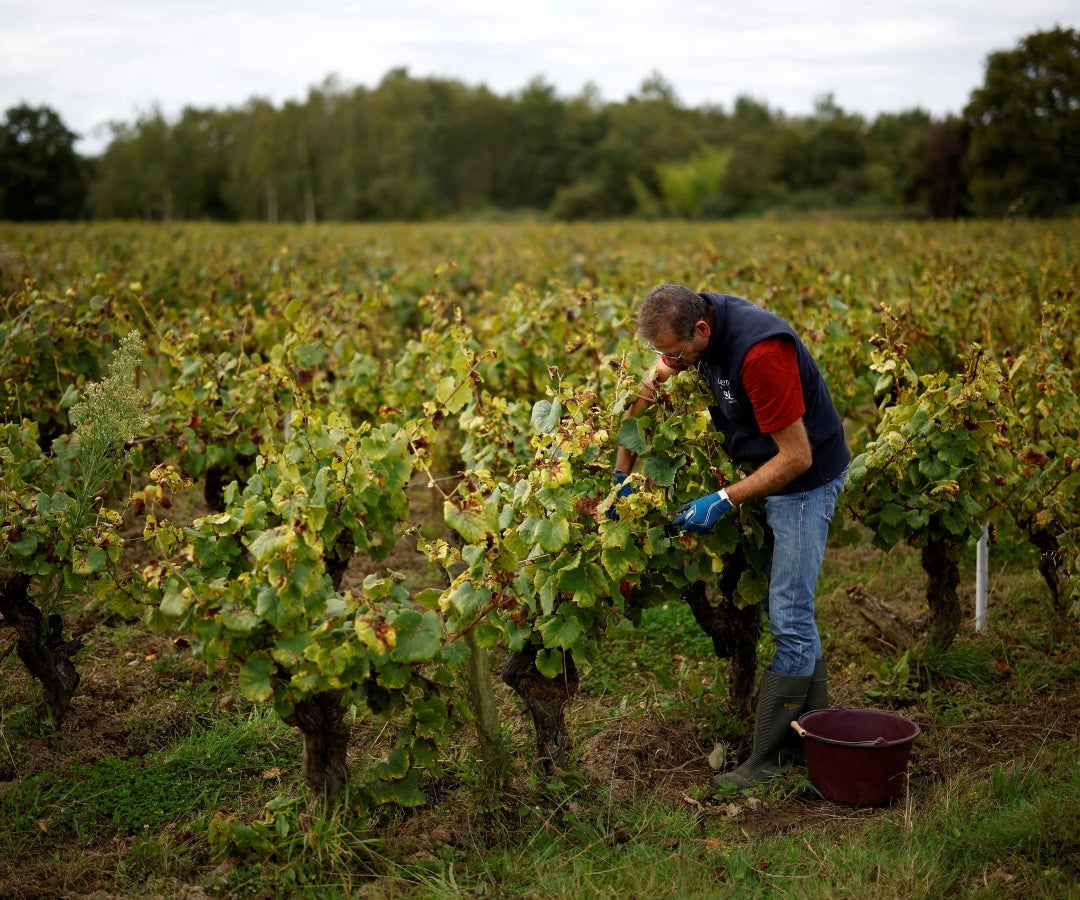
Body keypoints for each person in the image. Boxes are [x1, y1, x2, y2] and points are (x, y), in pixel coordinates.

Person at [613, 283, 850, 789]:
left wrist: (723, 500)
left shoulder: (760, 354)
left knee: (788, 612)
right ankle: (816, 737)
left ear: (701, 330)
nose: (669, 362)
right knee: (792, 611)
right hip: (763, 464)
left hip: (804, 481)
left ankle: (776, 761)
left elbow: (797, 457)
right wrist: (622, 469)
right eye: (663, 352)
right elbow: (652, 384)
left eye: (676, 353)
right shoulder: (693, 328)